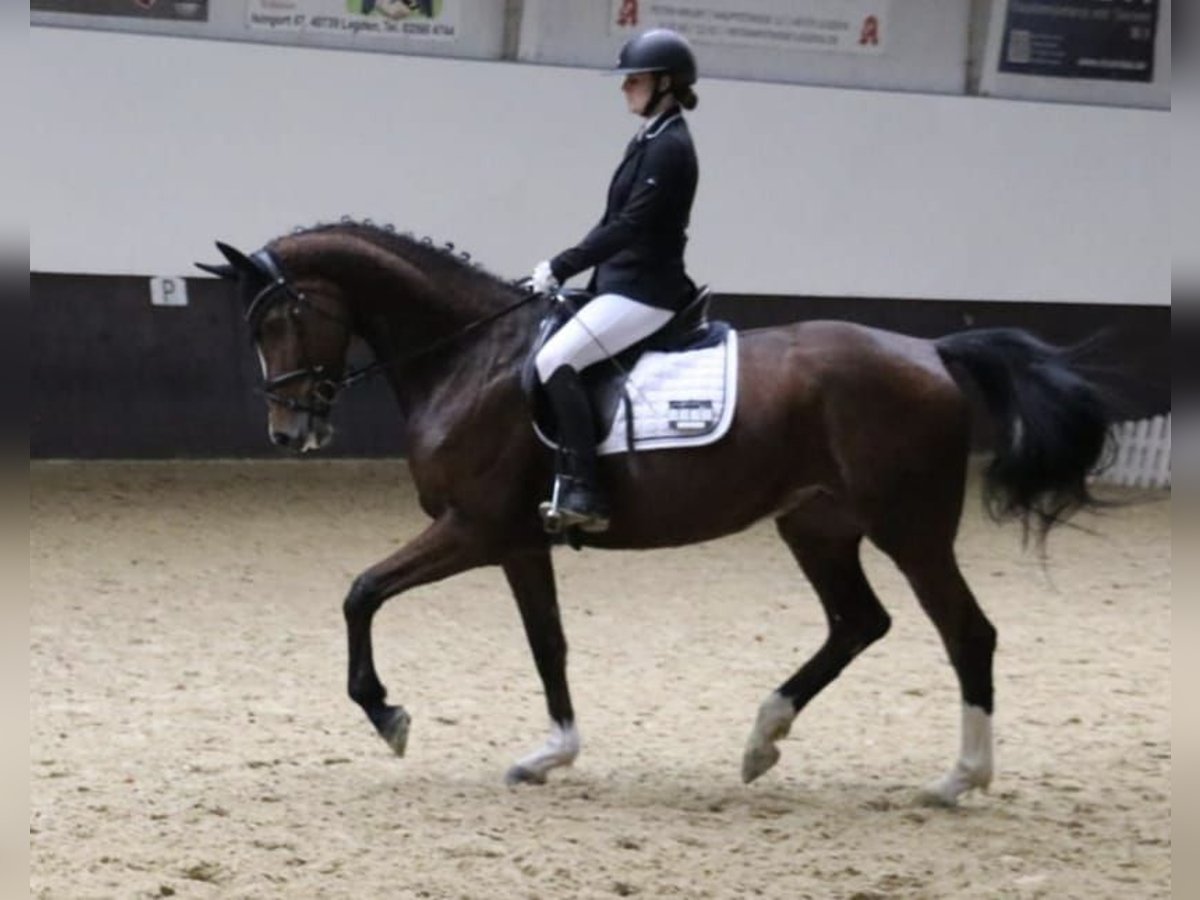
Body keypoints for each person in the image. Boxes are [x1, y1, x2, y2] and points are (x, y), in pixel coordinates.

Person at [530, 27, 701, 534]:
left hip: (646, 291)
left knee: (555, 359)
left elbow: (631, 227)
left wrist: (562, 265)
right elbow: (611, 221)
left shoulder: (670, 147)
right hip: (620, 281)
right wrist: (564, 267)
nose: (625, 88)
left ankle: (585, 489)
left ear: (665, 83)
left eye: (635, 80)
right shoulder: (649, 138)